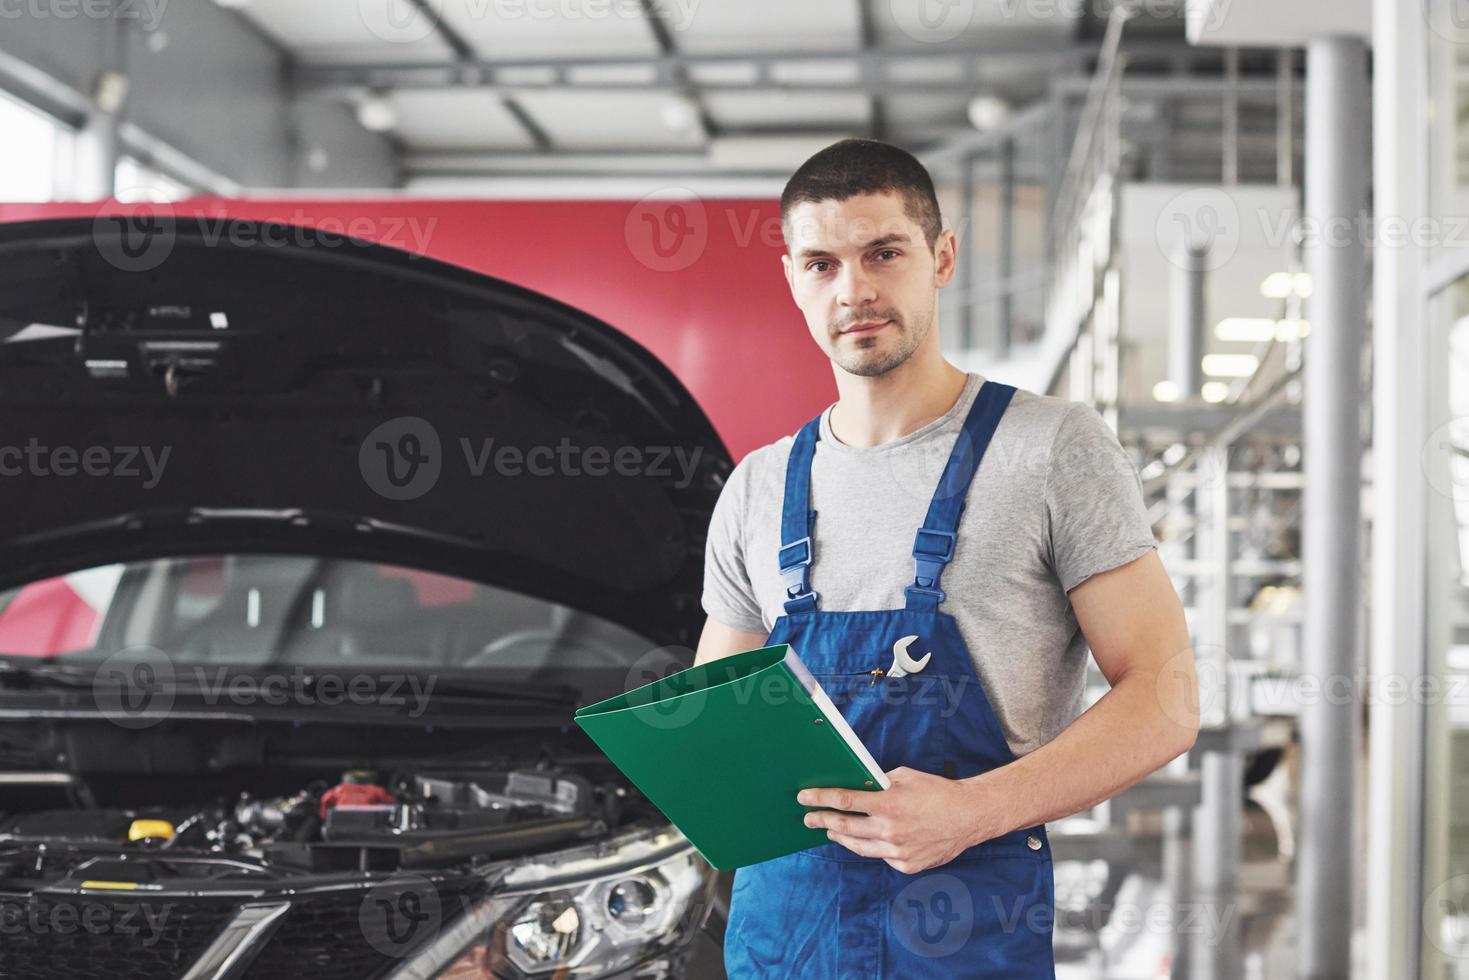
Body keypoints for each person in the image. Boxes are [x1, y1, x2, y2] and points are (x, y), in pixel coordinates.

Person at [695, 138, 1198, 978]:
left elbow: (1166, 696)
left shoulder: (1049, 449)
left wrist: (971, 810)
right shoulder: (757, 485)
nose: (852, 289)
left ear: (942, 257)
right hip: (786, 937)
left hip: (964, 930)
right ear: (791, 279)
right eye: (820, 263)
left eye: (882, 253)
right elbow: (719, 722)